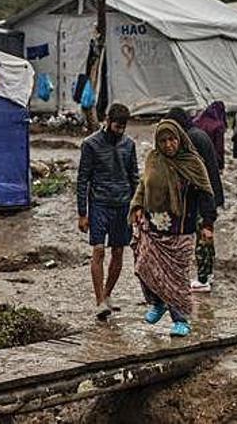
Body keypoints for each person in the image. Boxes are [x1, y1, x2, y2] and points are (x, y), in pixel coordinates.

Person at [130, 120, 215, 337]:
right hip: (153, 226)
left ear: (180, 139)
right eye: (163, 141)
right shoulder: (153, 159)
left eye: (172, 139)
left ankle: (180, 319)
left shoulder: (192, 163)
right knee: (143, 265)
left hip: (182, 228)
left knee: (176, 278)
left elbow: (206, 193)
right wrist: (138, 206)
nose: (168, 145)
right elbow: (143, 184)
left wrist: (207, 224)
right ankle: (157, 303)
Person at [76, 103, 139, 321]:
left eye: (123, 127)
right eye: (116, 126)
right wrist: (82, 213)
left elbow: (134, 177)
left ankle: (108, 294)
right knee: (99, 250)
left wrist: (137, 207)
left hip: (122, 204)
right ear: (107, 120)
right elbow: (82, 179)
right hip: (99, 204)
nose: (119, 130)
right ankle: (99, 301)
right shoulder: (90, 145)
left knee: (119, 252)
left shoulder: (129, 145)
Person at [165, 108, 224, 293]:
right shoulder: (198, 133)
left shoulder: (192, 138)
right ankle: (208, 274)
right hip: (210, 191)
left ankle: (203, 278)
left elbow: (197, 172)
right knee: (206, 234)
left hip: (203, 195)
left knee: (203, 234)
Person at [193, 101, 228, 170]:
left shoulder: (197, 121)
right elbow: (219, 147)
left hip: (197, 157)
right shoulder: (218, 125)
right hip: (211, 157)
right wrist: (221, 164)